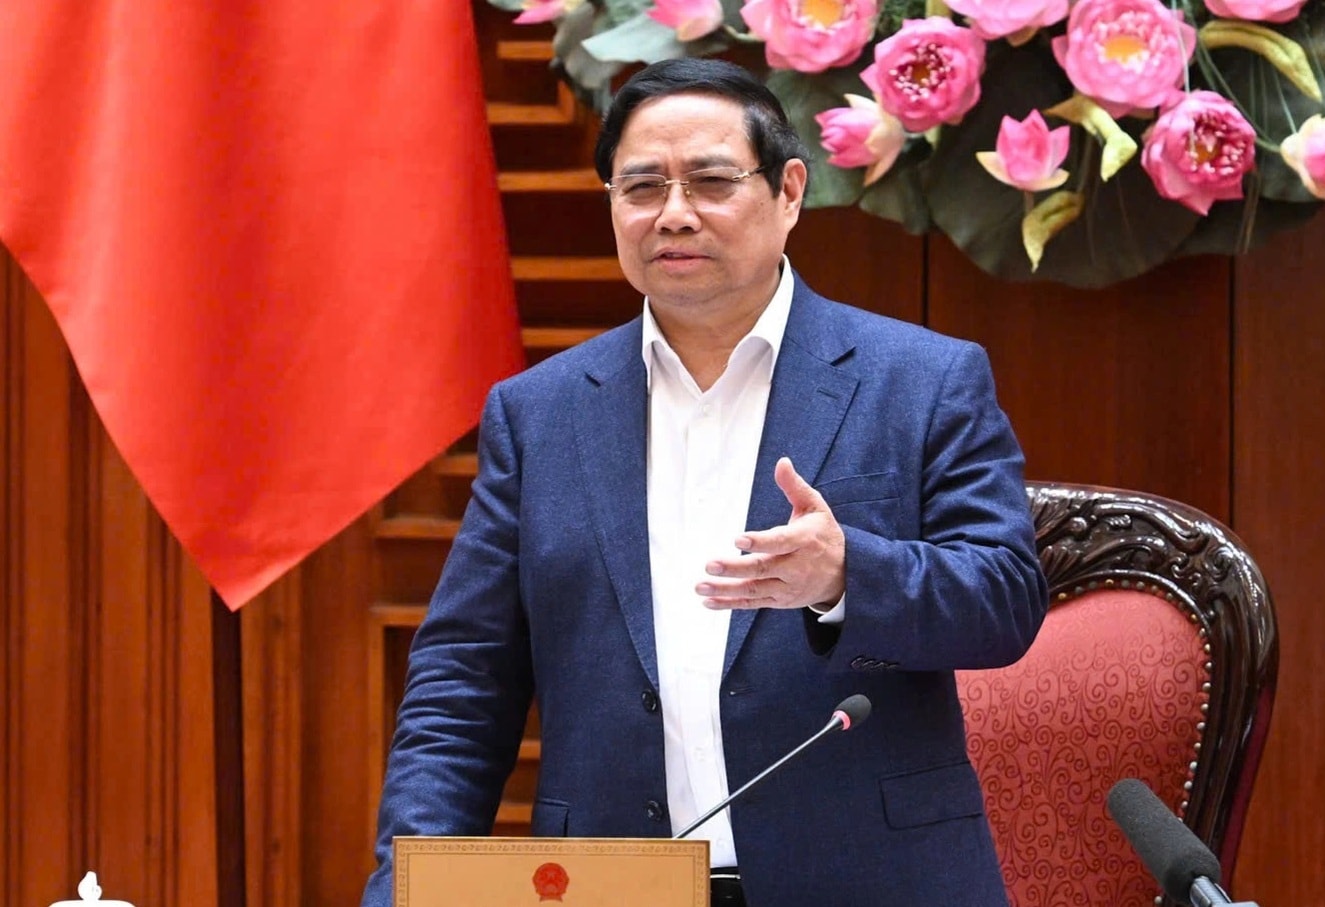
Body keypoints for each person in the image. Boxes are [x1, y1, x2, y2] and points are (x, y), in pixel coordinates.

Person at [362, 57, 1047, 907]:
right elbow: (464, 681)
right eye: (641, 186)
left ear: (788, 192)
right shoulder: (538, 415)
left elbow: (1005, 599)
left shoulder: (922, 379)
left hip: (868, 880)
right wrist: (403, 889)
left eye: (712, 181)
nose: (674, 213)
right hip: (615, 888)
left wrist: (846, 574)